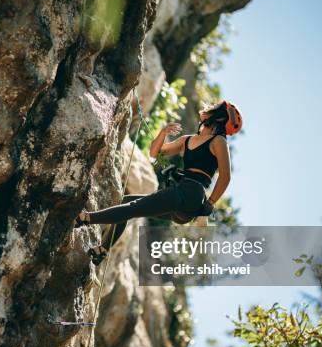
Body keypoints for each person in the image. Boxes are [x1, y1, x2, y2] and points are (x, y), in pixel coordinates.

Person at [75, 100, 243, 264]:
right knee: (128, 202)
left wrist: (208, 206)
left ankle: (83, 218)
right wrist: (163, 133)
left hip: (192, 194)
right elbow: (155, 152)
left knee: (132, 208)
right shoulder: (187, 140)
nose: (209, 108)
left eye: (215, 108)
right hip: (184, 202)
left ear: (219, 118)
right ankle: (101, 250)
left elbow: (225, 177)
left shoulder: (219, 141)